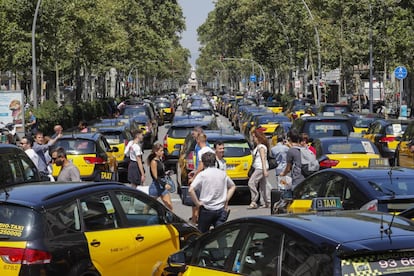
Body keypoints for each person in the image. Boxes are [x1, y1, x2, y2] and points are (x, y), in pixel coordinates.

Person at [189, 152, 236, 233]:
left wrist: (197, 203)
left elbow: (191, 189)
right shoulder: (222, 173)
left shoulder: (203, 174)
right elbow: (232, 186)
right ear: (215, 162)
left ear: (203, 163)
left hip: (206, 209)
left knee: (202, 235)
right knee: (220, 235)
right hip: (220, 209)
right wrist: (226, 199)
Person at [247, 129, 270, 209]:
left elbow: (263, 158)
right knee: (263, 185)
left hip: (260, 167)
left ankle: (254, 201)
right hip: (260, 167)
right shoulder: (258, 146)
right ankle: (267, 202)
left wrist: (264, 170)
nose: (253, 139)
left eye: (254, 137)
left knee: (251, 182)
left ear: (258, 137)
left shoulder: (261, 147)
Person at [147, 143, 173, 210]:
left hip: (163, 184)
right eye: (161, 151)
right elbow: (155, 177)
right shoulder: (154, 162)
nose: (163, 152)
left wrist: (167, 173)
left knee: (169, 205)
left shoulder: (160, 160)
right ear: (156, 152)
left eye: (163, 150)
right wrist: (164, 185)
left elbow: (161, 172)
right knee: (149, 206)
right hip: (156, 186)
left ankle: (171, 219)